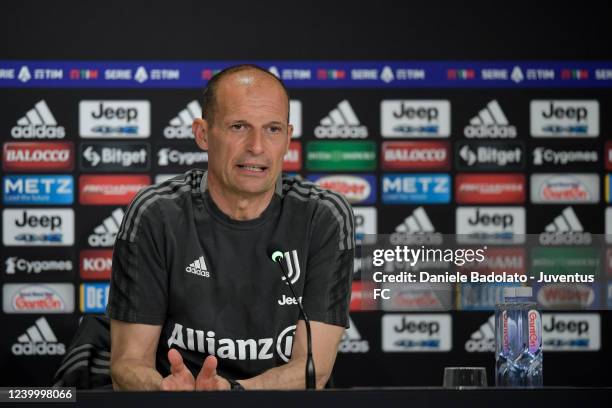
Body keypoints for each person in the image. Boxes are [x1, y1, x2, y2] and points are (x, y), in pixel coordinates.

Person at [107, 64, 355, 391]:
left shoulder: (323, 216)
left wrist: (232, 394)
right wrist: (162, 389)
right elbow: (128, 363)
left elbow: (313, 370)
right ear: (203, 134)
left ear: (288, 138)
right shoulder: (157, 214)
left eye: (273, 129)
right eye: (239, 126)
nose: (257, 146)